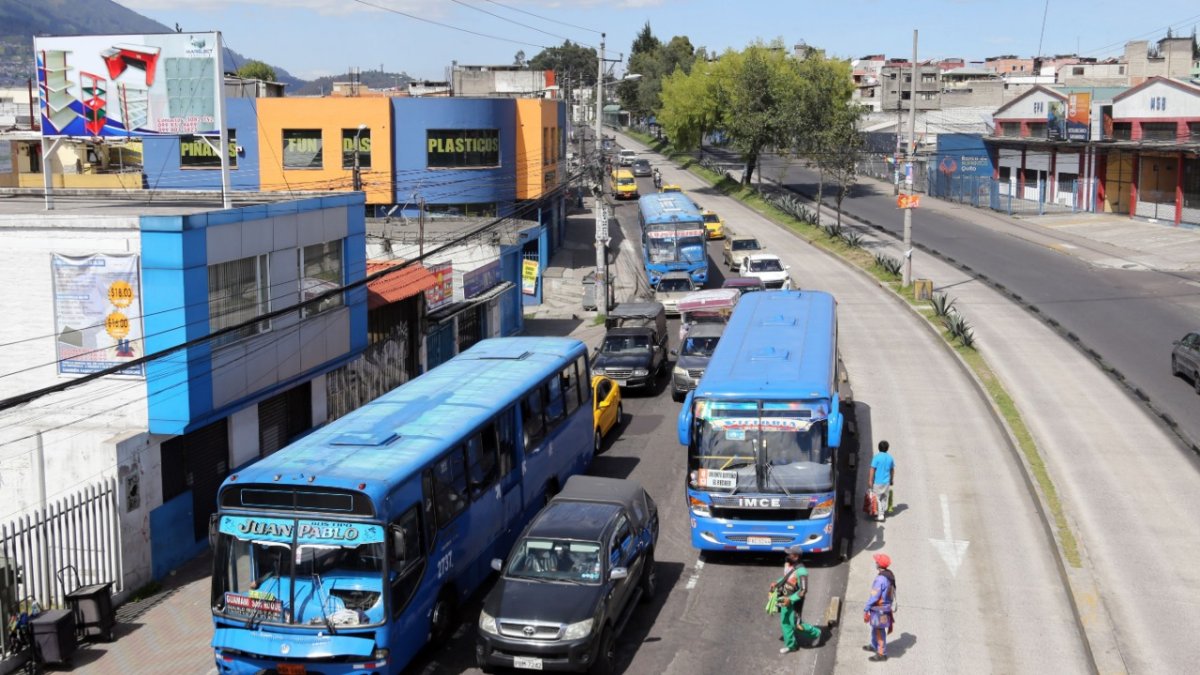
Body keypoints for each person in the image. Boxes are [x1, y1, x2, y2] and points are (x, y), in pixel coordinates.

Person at [770, 545, 820, 653]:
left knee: (797, 625)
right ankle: (791, 645)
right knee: (785, 621)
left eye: (789, 554)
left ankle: (816, 633)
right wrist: (776, 584)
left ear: (796, 556)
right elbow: (786, 579)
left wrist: (791, 599)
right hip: (784, 599)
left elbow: (803, 591)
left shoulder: (802, 572)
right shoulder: (789, 566)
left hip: (794, 602)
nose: (787, 556)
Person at [863, 553, 896, 662]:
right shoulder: (889, 574)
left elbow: (874, 596)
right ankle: (874, 645)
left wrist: (866, 608)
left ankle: (882, 653)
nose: (875, 563)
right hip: (885, 607)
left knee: (879, 631)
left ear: (879, 564)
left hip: (879, 609)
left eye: (876, 561)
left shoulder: (880, 579)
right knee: (875, 627)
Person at [868, 440, 895, 522]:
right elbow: (892, 470)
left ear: (878, 448)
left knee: (877, 498)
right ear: (887, 448)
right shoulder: (890, 458)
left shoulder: (876, 458)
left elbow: (872, 469)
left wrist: (870, 480)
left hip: (878, 482)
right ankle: (882, 513)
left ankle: (880, 514)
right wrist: (891, 479)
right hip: (886, 482)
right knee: (884, 498)